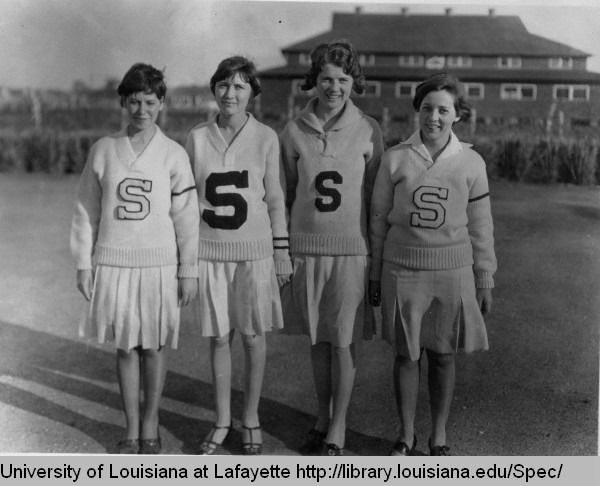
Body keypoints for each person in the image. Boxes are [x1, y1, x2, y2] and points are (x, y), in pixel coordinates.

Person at [70, 63, 200, 455]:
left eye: (149, 102)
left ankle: (150, 423)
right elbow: (86, 210)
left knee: (154, 346)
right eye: (134, 102)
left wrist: (189, 269)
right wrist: (83, 263)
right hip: (115, 264)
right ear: (123, 103)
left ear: (161, 103)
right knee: (126, 347)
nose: (142, 110)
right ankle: (130, 427)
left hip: (159, 265)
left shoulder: (173, 154)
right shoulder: (104, 150)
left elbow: (186, 217)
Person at [368, 72, 496, 456]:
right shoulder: (395, 158)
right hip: (401, 270)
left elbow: (481, 227)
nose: (433, 118)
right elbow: (378, 221)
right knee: (406, 355)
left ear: (458, 114)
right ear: (417, 111)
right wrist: (375, 273)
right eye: (427, 108)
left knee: (443, 355)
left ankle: (438, 435)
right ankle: (405, 435)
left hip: (452, 273)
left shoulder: (471, 162)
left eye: (443, 110)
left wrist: (484, 277)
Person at [280, 39, 384, 456]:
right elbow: (286, 195)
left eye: (342, 79)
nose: (334, 87)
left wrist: (375, 258)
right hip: (306, 251)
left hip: (351, 252)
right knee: (318, 340)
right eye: (326, 78)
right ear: (314, 80)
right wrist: (283, 250)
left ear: (353, 82)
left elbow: (377, 200)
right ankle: (321, 418)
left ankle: (338, 426)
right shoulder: (293, 130)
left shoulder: (369, 129)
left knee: (343, 341)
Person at [185, 56, 292, 455]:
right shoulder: (197, 137)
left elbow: (275, 199)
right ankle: (221, 419)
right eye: (224, 85)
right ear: (214, 89)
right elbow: (186, 203)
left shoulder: (266, 137)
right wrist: (186, 259)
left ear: (252, 94)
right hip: (210, 253)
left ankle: (251, 418)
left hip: (254, 254)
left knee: (252, 336)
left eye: (239, 86)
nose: (230, 93)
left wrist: (282, 252)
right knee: (218, 338)